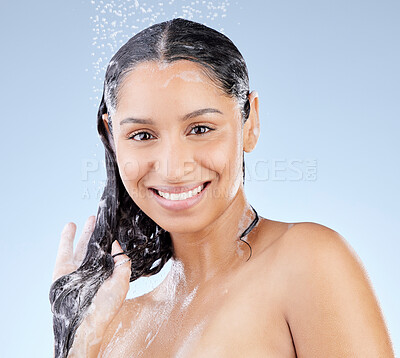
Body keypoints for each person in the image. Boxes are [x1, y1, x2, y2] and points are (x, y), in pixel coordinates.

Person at [50, 18, 395, 358]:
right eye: (142, 135)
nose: (172, 167)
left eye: (200, 128)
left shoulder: (307, 263)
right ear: (113, 137)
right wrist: (78, 341)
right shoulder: (113, 325)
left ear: (251, 122)